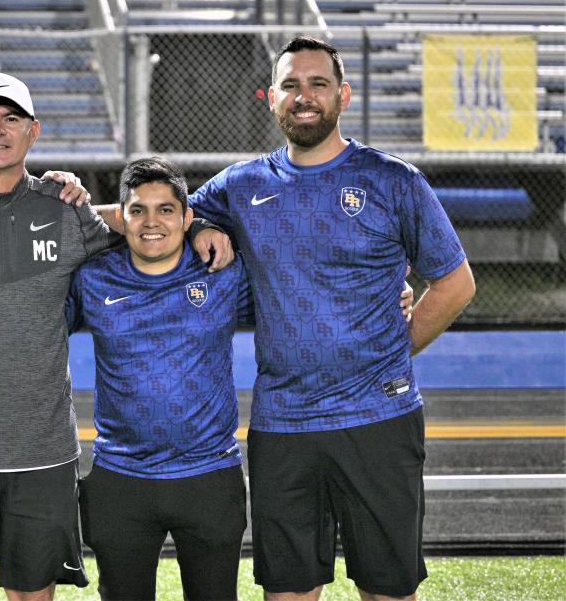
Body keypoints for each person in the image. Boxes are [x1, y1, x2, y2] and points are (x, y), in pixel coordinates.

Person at [0, 72, 230, 601]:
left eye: (11, 119)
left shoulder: (64, 211)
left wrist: (203, 223)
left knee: (33, 592)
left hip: (42, 452)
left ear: (34, 131)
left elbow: (141, 221)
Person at [180, 37, 476, 601]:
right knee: (289, 591)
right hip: (283, 423)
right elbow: (169, 215)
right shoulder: (241, 186)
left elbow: (456, 282)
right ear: (271, 98)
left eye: (318, 84)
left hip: (378, 417)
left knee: (387, 589)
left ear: (343, 95)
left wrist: (396, 347)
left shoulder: (394, 181)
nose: (304, 96)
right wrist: (200, 227)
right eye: (291, 85)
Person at [67, 156, 253, 600]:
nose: (152, 222)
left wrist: (394, 293)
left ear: (188, 217)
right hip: (121, 479)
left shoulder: (226, 273)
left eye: (165, 210)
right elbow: (27, 315)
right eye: (138, 210)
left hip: (209, 476)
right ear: (122, 218)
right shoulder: (92, 278)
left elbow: (298, 292)